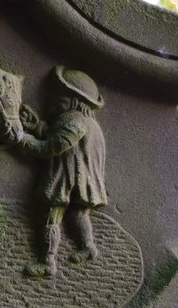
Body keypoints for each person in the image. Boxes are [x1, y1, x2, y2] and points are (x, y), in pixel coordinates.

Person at [13, 66, 108, 278]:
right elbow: (57, 133)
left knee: (50, 219)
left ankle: (48, 261)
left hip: (65, 180)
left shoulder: (75, 122)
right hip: (84, 183)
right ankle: (88, 247)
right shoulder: (90, 124)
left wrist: (23, 140)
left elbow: (52, 146)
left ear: (76, 102)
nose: (52, 102)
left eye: (60, 99)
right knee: (78, 214)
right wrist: (37, 126)